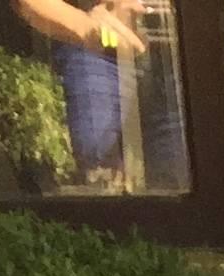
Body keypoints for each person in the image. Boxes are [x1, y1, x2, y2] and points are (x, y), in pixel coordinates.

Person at [10, 0, 188, 192]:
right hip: (100, 47)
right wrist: (86, 26)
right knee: (100, 179)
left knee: (179, 184)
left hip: (186, 53)